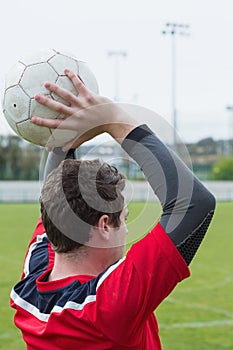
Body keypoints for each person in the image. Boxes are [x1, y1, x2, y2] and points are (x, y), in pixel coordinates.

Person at [10, 69, 216, 349]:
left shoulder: (31, 285)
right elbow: (195, 205)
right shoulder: (106, 308)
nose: (128, 229)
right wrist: (114, 119)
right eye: (124, 219)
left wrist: (62, 139)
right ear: (104, 225)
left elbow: (56, 195)